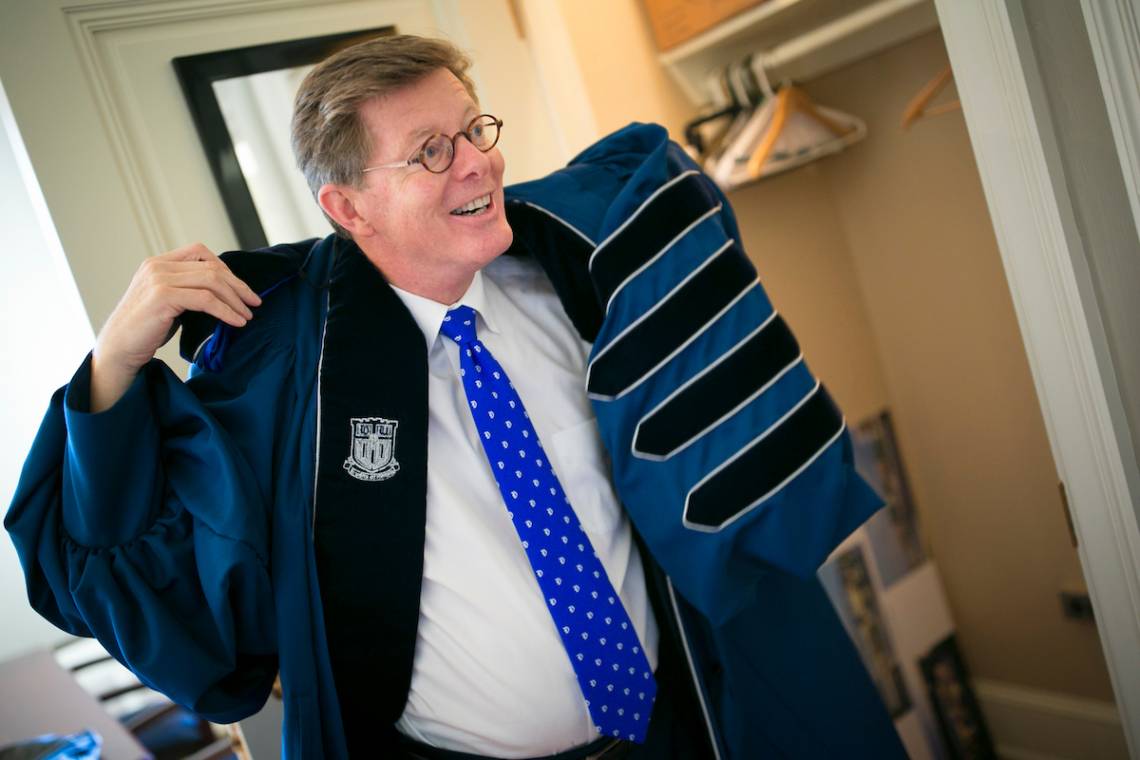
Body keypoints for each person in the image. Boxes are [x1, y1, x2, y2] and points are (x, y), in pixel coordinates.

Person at [6, 35, 907, 759]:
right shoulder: (287, 378)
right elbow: (109, 563)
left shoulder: (587, 270)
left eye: (475, 130)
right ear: (349, 209)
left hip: (687, 725)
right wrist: (115, 359)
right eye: (430, 152)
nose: (478, 163)